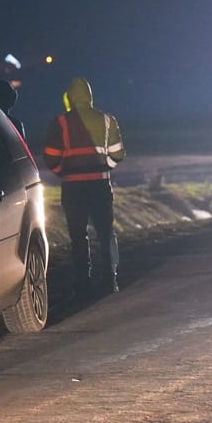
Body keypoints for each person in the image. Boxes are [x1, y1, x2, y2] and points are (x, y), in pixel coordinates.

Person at [43, 77, 125, 295]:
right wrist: (103, 168)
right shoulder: (107, 120)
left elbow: (51, 158)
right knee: (106, 233)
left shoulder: (60, 122)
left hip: (73, 188)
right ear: (90, 97)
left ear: (69, 98)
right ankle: (110, 280)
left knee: (78, 236)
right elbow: (118, 153)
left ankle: (83, 282)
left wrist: (64, 172)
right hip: (100, 186)